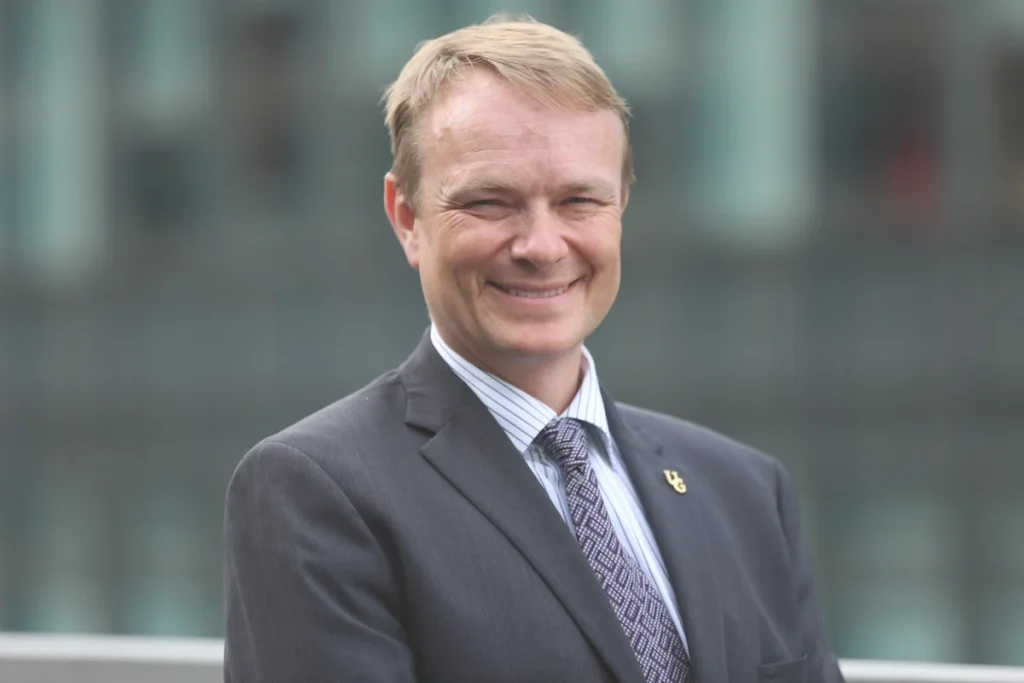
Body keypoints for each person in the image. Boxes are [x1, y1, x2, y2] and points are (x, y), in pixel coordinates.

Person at [223, 14, 844, 683]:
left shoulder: (747, 492)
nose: (542, 246)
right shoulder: (317, 491)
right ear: (407, 217)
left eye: (579, 200)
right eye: (491, 203)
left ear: (622, 204)